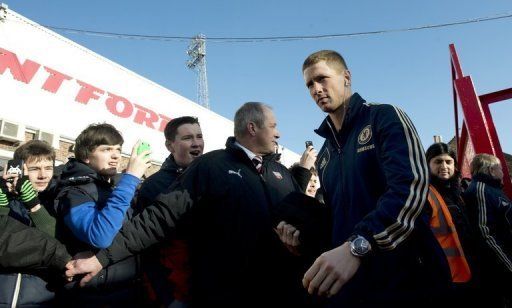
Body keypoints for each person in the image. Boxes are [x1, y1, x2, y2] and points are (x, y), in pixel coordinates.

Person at [67, 103, 318, 306]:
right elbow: (158, 220)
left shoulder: (280, 172)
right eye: (274, 126)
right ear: (252, 128)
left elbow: (297, 213)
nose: (279, 133)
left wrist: (301, 237)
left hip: (281, 291)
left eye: (199, 136)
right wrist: (102, 259)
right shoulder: (211, 166)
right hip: (223, 294)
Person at [301, 50, 450, 307]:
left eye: (322, 79)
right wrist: (298, 229)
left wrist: (359, 244)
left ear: (346, 77)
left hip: (408, 281)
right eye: (309, 84)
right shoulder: (324, 155)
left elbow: (410, 188)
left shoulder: (385, 117)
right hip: (355, 289)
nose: (316, 89)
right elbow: (335, 217)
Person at [54, 123, 150, 307]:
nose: (115, 156)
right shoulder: (73, 192)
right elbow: (100, 236)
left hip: (127, 289)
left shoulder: (112, 186)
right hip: (93, 295)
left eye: (118, 149)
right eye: (106, 149)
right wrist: (130, 178)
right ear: (86, 156)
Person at [136, 116, 204, 307]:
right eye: (188, 138)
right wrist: (166, 296)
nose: (196, 143)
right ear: (170, 145)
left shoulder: (211, 177)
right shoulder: (153, 186)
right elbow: (146, 248)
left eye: (199, 136)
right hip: (173, 292)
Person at [0, 140, 62, 307]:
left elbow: (56, 242)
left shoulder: (59, 200)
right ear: (19, 168)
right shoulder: (5, 198)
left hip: (41, 298)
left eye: (48, 168)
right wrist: (2, 203)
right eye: (35, 169)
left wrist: (33, 204)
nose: (43, 175)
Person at [425, 142, 476, 304]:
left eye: (448, 161)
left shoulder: (458, 193)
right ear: (428, 165)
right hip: (443, 278)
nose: (444, 166)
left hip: (467, 270)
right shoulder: (424, 195)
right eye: (438, 161)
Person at [463, 153, 512, 307]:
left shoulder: (492, 189)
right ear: (491, 170)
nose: (504, 172)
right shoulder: (481, 190)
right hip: (497, 269)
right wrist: (509, 263)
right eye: (500, 168)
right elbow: (485, 233)